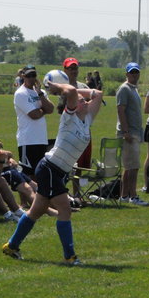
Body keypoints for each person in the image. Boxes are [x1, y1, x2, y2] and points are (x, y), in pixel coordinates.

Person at [3, 82, 103, 264]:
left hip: (57, 171)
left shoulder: (87, 119)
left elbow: (98, 94)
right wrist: (55, 87)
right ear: (72, 105)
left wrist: (78, 94)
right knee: (65, 209)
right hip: (50, 168)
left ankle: (11, 246)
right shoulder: (69, 117)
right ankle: (69, 256)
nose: (86, 102)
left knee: (36, 211)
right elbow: (70, 91)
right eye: (81, 101)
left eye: (85, 100)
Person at [57, 57, 92, 203]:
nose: (73, 71)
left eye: (75, 68)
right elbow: (60, 109)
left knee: (80, 165)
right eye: (70, 68)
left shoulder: (83, 86)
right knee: (68, 162)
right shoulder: (63, 88)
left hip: (84, 128)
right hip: (70, 130)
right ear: (65, 70)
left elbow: (92, 103)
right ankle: (63, 193)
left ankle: (77, 194)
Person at [14, 65, 55, 180]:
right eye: (28, 76)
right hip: (27, 140)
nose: (31, 78)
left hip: (41, 139)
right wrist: (43, 110)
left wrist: (40, 94)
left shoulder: (41, 93)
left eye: (33, 75)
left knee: (40, 173)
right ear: (23, 76)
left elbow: (51, 109)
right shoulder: (21, 93)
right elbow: (34, 115)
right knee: (29, 175)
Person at [116, 62, 147, 205]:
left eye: (136, 72)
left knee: (131, 166)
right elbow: (121, 110)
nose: (134, 75)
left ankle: (124, 196)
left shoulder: (133, 89)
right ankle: (133, 196)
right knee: (132, 167)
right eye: (132, 72)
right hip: (129, 133)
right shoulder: (124, 89)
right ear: (127, 74)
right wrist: (125, 131)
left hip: (135, 131)